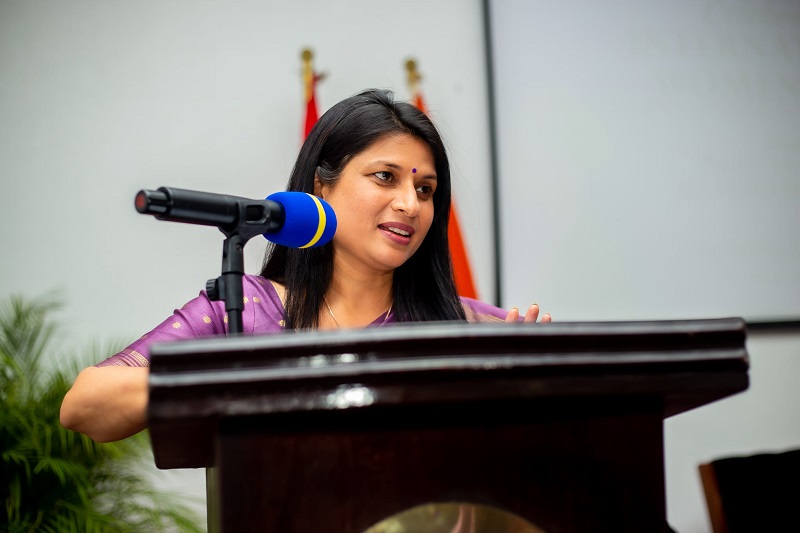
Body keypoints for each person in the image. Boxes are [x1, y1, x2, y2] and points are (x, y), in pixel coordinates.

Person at [60, 89, 550, 443]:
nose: (410, 204)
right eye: (386, 177)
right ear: (321, 187)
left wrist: (530, 381)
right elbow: (84, 405)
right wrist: (234, 380)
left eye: (425, 190)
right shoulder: (243, 311)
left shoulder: (466, 327)